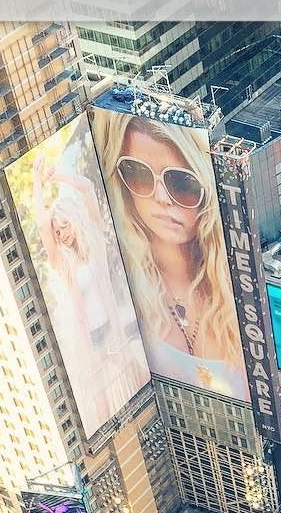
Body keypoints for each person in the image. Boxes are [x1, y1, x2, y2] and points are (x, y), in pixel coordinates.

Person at [93, 111, 249, 399]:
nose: (162, 198)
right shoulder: (121, 290)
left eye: (181, 183)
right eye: (138, 174)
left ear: (206, 187)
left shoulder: (237, 288)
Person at [22, 141, 151, 431]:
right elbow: (42, 225)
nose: (61, 234)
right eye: (57, 232)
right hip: (91, 341)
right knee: (105, 409)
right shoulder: (63, 263)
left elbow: (88, 189)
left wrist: (57, 176)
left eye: (64, 226)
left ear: (74, 220)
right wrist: (36, 182)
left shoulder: (94, 240)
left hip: (114, 330)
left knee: (137, 387)